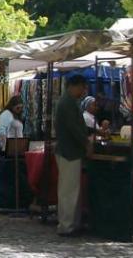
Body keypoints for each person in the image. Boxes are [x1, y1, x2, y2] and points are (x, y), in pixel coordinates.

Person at [54, 75, 90, 236]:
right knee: (69, 191)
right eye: (82, 87)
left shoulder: (68, 102)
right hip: (69, 151)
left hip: (70, 151)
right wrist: (86, 143)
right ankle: (67, 225)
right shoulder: (67, 103)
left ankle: (71, 224)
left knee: (70, 190)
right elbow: (74, 128)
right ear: (75, 86)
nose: (83, 92)